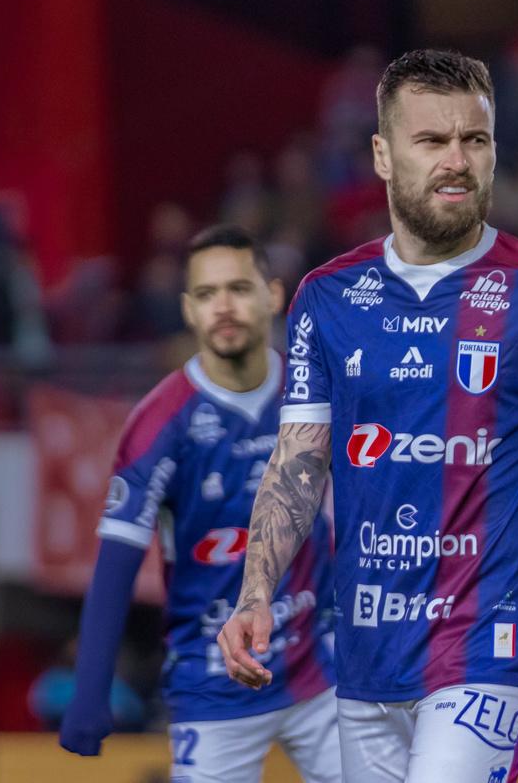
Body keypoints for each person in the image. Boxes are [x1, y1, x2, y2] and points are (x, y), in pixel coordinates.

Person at [219, 49, 518, 782]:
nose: (457, 160)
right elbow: (298, 463)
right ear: (382, 154)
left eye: (475, 140)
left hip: (492, 650)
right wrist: (254, 594)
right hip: (367, 658)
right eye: (432, 140)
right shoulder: (327, 298)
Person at [59, 225, 340, 783]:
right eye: (208, 294)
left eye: (238, 288)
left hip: (321, 671)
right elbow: (115, 567)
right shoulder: (158, 424)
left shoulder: (317, 388)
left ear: (274, 295)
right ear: (188, 309)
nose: (224, 307)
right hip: (211, 683)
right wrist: (90, 692)